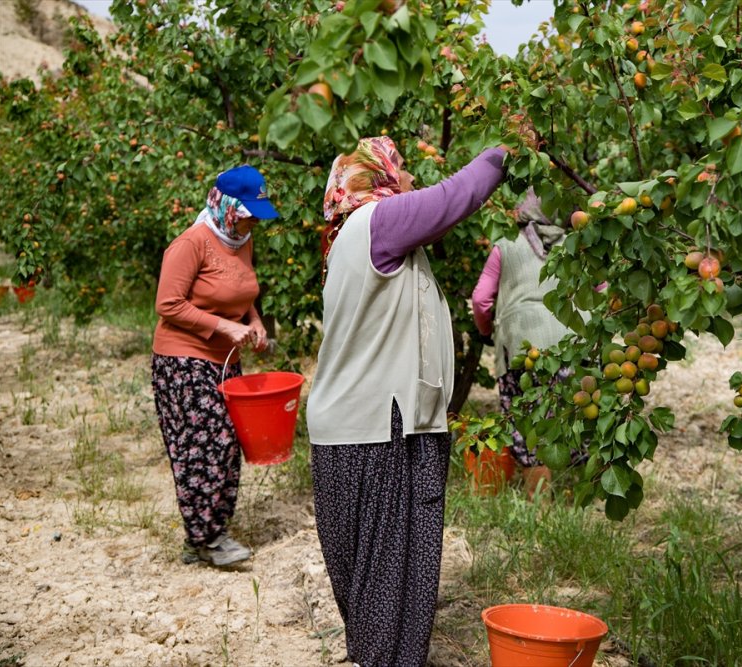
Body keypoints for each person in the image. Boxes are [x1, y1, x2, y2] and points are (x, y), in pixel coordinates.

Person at [306, 136, 507, 665]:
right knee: (385, 585)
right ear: (377, 176)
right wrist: (507, 149)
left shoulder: (355, 236)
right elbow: (456, 196)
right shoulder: (376, 223)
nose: (412, 179)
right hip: (376, 431)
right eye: (401, 170)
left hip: (369, 428)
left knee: (382, 587)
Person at [151, 165, 279, 567]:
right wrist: (224, 326)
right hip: (183, 360)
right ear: (226, 208)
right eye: (248, 215)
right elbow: (167, 304)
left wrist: (254, 321)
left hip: (224, 359)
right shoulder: (192, 243)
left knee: (228, 444)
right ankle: (208, 538)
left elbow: (241, 291)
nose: (253, 223)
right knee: (207, 444)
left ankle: (203, 536)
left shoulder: (241, 240)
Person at [471, 190, 582, 495]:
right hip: (572, 347)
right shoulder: (575, 246)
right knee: (569, 418)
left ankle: (540, 503)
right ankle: (582, 493)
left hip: (522, 348)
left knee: (530, 425)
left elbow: (481, 299)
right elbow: (602, 289)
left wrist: (487, 331)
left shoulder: (505, 245)